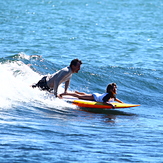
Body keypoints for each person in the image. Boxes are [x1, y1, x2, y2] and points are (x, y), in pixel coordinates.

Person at [59, 83, 123, 107]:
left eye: (116, 88)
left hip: (97, 95)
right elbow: (104, 101)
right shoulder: (109, 95)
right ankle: (65, 93)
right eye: (114, 89)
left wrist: (122, 103)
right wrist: (110, 105)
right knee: (79, 97)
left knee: (85, 95)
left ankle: (78, 92)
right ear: (110, 90)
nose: (116, 90)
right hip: (95, 97)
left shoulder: (112, 95)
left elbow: (116, 99)